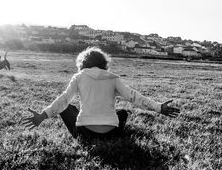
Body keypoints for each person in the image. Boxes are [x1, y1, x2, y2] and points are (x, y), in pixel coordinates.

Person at [22, 47, 180, 139]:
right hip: (111, 133)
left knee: (67, 107)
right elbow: (134, 97)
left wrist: (42, 115)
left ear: (82, 63)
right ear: (104, 63)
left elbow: (63, 100)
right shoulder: (113, 78)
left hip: (85, 133)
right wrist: (158, 107)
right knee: (123, 112)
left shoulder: (79, 77)